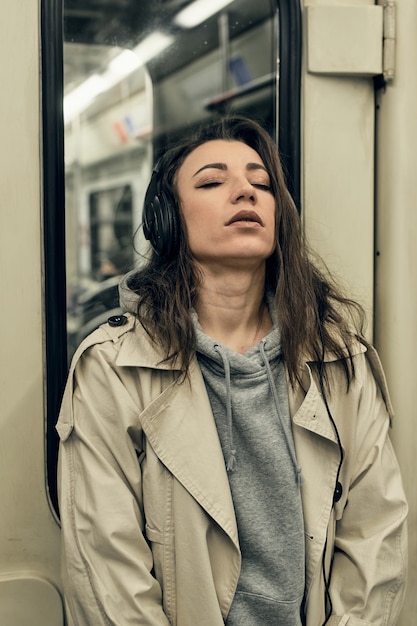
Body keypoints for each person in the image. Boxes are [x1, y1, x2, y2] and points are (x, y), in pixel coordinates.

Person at [56, 116, 408, 626]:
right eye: (213, 181)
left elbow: (376, 538)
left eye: (261, 184)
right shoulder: (113, 367)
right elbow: (107, 573)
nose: (245, 192)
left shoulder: (339, 360)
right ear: (169, 220)